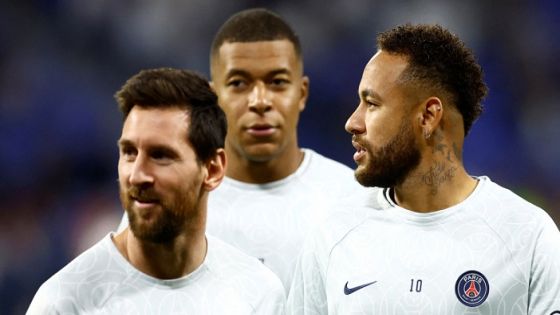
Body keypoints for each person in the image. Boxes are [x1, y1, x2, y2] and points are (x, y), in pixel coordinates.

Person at [287, 24, 560, 315]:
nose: (353, 122)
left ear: (429, 116)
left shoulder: (527, 235)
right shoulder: (334, 235)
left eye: (372, 104)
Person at [118, 8, 374, 292]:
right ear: (215, 98)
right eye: (239, 84)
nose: (259, 101)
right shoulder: (166, 202)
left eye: (277, 82)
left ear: (301, 94)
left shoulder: (354, 202)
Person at [28, 68, 285, 314]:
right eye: (129, 153)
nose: (137, 175)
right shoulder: (66, 302)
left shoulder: (256, 293)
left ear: (213, 170)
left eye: (161, 156)